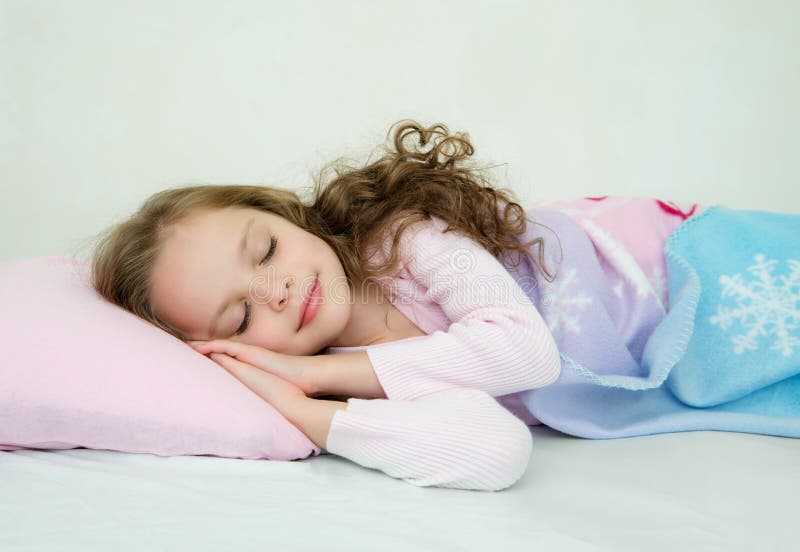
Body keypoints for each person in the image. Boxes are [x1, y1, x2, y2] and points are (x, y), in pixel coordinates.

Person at [90, 120, 691, 491]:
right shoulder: (348, 380)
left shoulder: (400, 239)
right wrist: (302, 409)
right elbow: (496, 450)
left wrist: (314, 371)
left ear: (282, 212)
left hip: (669, 263)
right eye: (242, 317)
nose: (274, 290)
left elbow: (527, 355)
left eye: (267, 248)